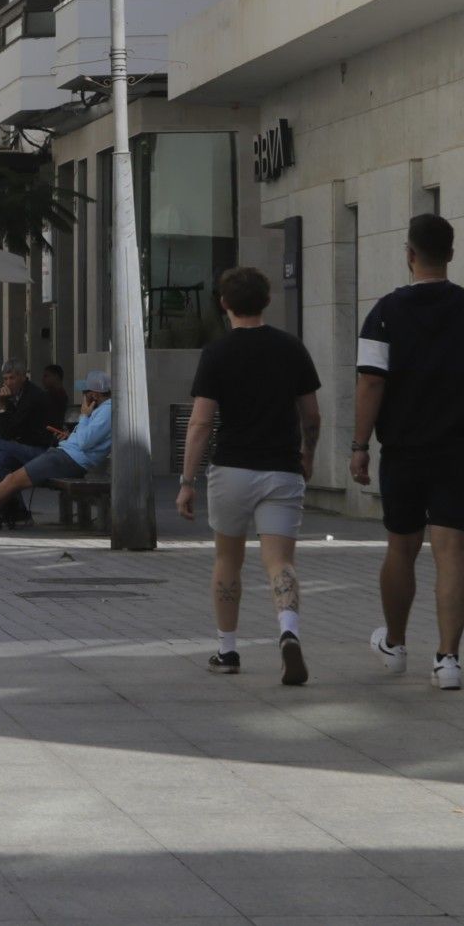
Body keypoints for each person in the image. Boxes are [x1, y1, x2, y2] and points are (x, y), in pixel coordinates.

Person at [352, 213, 464, 693]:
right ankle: (448, 660)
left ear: (409, 253)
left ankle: (395, 646)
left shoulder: (384, 313)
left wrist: (359, 445)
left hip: (402, 448)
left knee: (402, 546)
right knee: (451, 550)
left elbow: (372, 382)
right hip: (457, 448)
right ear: (452, 254)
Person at [177, 266, 321, 685]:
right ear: (268, 300)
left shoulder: (217, 353)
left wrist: (187, 481)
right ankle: (289, 632)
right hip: (281, 468)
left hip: (232, 469)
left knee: (228, 559)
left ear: (224, 304)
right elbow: (311, 414)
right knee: (280, 561)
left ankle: (227, 650)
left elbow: (201, 424)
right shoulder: (292, 349)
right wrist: (308, 453)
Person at [0, 370, 113, 530]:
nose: (82, 397)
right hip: (64, 456)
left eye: (84, 393)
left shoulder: (106, 411)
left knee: (10, 478)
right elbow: (85, 438)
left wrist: (83, 415)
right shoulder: (101, 411)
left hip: (68, 459)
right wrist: (72, 433)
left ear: (93, 395)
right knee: (10, 480)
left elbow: (85, 442)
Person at [0, 358, 60, 529]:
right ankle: (18, 509)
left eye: (12, 378)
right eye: (5, 379)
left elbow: (7, 434)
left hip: (41, 451)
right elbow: (9, 433)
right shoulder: (16, 396)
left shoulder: (32, 396)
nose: (8, 383)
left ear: (23, 377)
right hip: (25, 447)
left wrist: (2, 406)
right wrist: (4, 405)